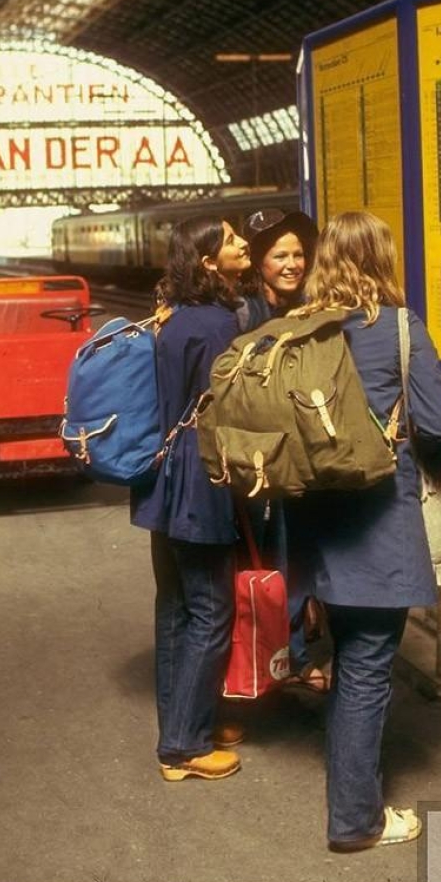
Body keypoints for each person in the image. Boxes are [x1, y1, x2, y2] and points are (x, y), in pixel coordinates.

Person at [284, 210, 441, 852]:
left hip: (314, 523)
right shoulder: (399, 328)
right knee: (366, 666)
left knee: (347, 654)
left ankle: (352, 792)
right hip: (378, 519)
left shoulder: (299, 330)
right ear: (382, 259)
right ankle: (356, 819)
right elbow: (439, 422)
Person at [130, 215, 251, 782]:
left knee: (175, 608)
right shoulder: (218, 323)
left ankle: (180, 723)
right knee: (212, 609)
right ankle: (184, 745)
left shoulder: (172, 318)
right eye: (230, 240)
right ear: (208, 263)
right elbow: (234, 406)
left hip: (161, 478)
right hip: (201, 479)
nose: (242, 244)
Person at [238, 208, 330, 695]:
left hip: (301, 455)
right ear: (259, 261)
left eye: (298, 253)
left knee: (295, 554)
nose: (293, 263)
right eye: (280, 255)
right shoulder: (244, 312)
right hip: (258, 457)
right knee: (262, 555)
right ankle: (266, 657)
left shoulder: (312, 305)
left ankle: (293, 653)